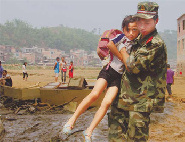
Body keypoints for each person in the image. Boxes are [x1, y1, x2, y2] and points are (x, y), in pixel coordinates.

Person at [62, 15, 139, 142]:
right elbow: (110, 45)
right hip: (108, 71)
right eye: (128, 30)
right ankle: (71, 121)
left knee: (106, 103)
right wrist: (121, 56)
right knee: (95, 94)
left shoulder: (136, 44)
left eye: (134, 30)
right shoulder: (121, 37)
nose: (131, 33)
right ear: (124, 29)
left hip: (118, 77)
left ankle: (89, 131)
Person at [108, 2, 167, 141]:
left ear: (156, 21)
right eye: (139, 22)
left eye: (147, 22)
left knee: (135, 138)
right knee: (115, 136)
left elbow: (132, 66)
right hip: (124, 97)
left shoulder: (155, 43)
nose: (142, 26)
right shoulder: (137, 38)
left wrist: (121, 47)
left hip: (140, 102)